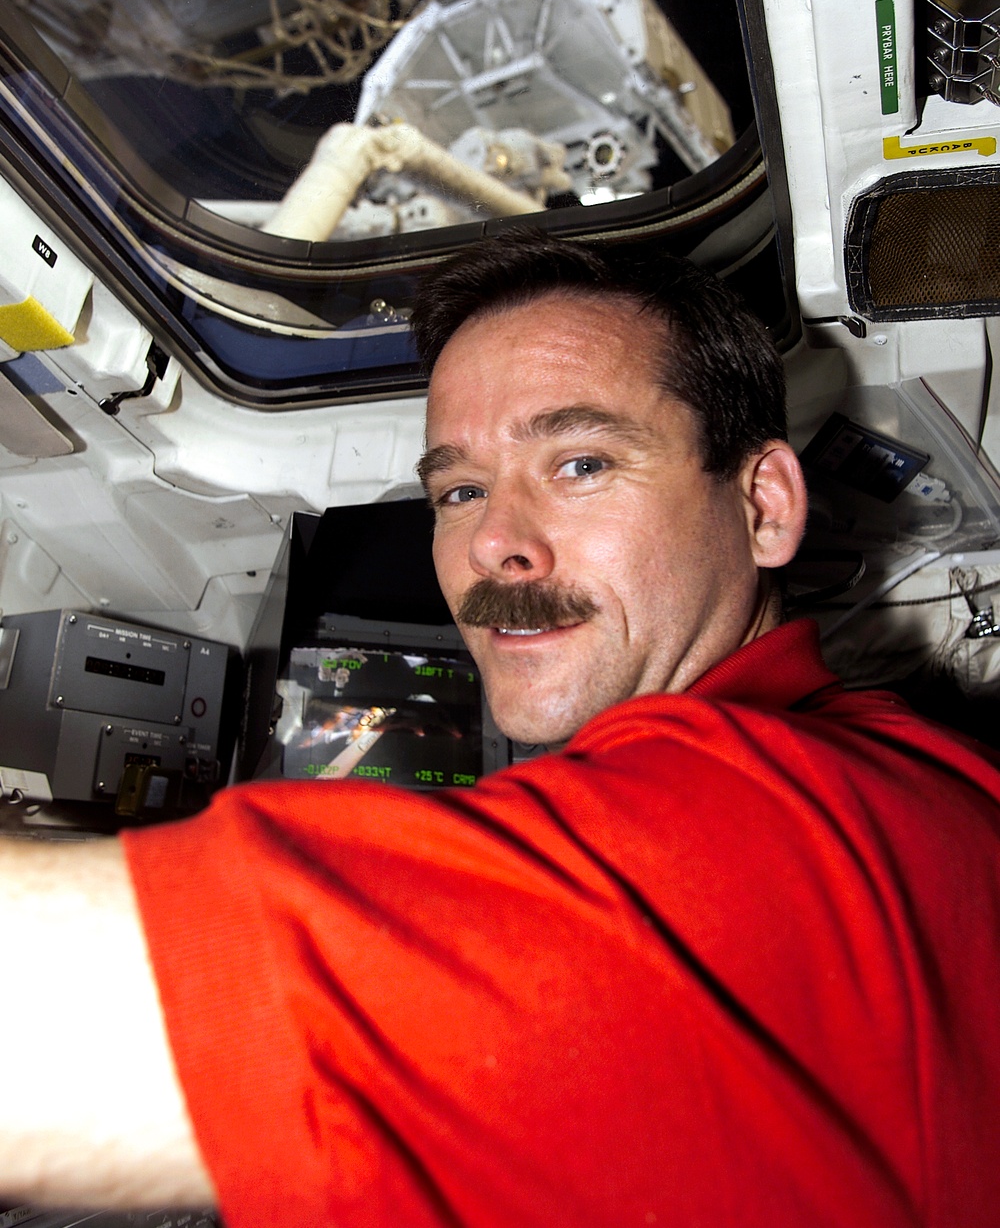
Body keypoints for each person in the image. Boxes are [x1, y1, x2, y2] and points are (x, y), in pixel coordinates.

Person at [1, 230, 999, 1227]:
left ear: (763, 506)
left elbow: (44, 1032)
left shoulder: (752, 832)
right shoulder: (883, 759)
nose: (492, 544)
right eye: (460, 490)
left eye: (579, 462)